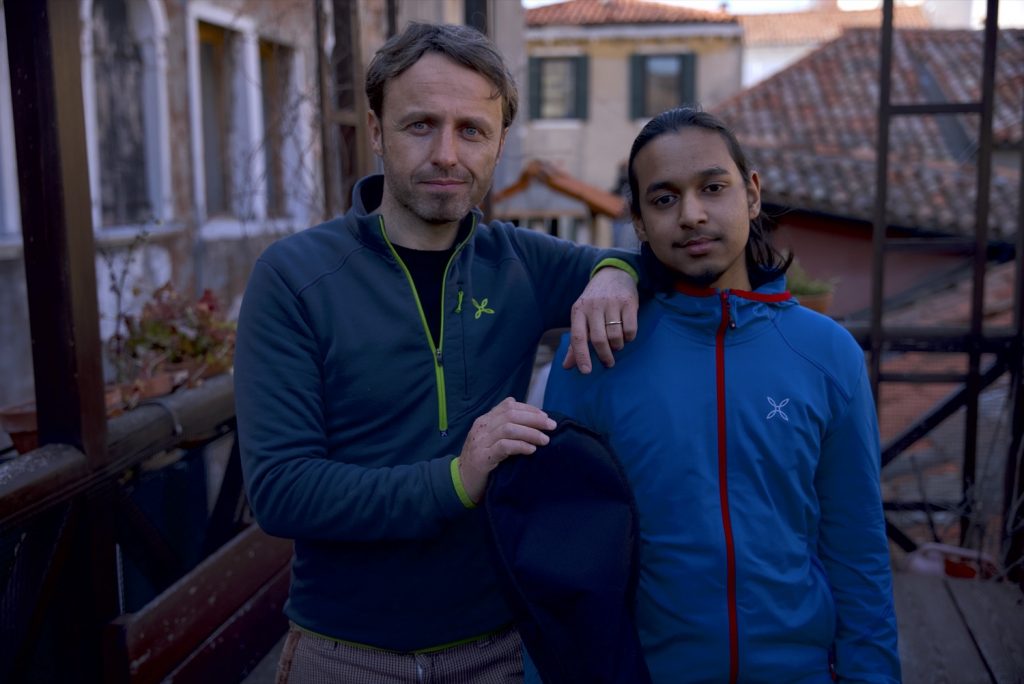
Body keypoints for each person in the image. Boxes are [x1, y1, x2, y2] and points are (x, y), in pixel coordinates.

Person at [234, 22, 642, 682]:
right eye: (420, 125)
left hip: (501, 650)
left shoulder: (520, 262)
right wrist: (457, 478)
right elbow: (281, 490)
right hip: (343, 652)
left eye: (471, 130)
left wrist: (615, 274)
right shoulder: (293, 276)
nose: (446, 153)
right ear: (377, 129)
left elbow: (639, 260)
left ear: (500, 141)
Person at [540, 107, 901, 683]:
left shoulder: (828, 354)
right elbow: (556, 555)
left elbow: (856, 549)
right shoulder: (594, 354)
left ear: (752, 194)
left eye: (713, 187)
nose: (692, 215)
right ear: (637, 221)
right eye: (663, 199)